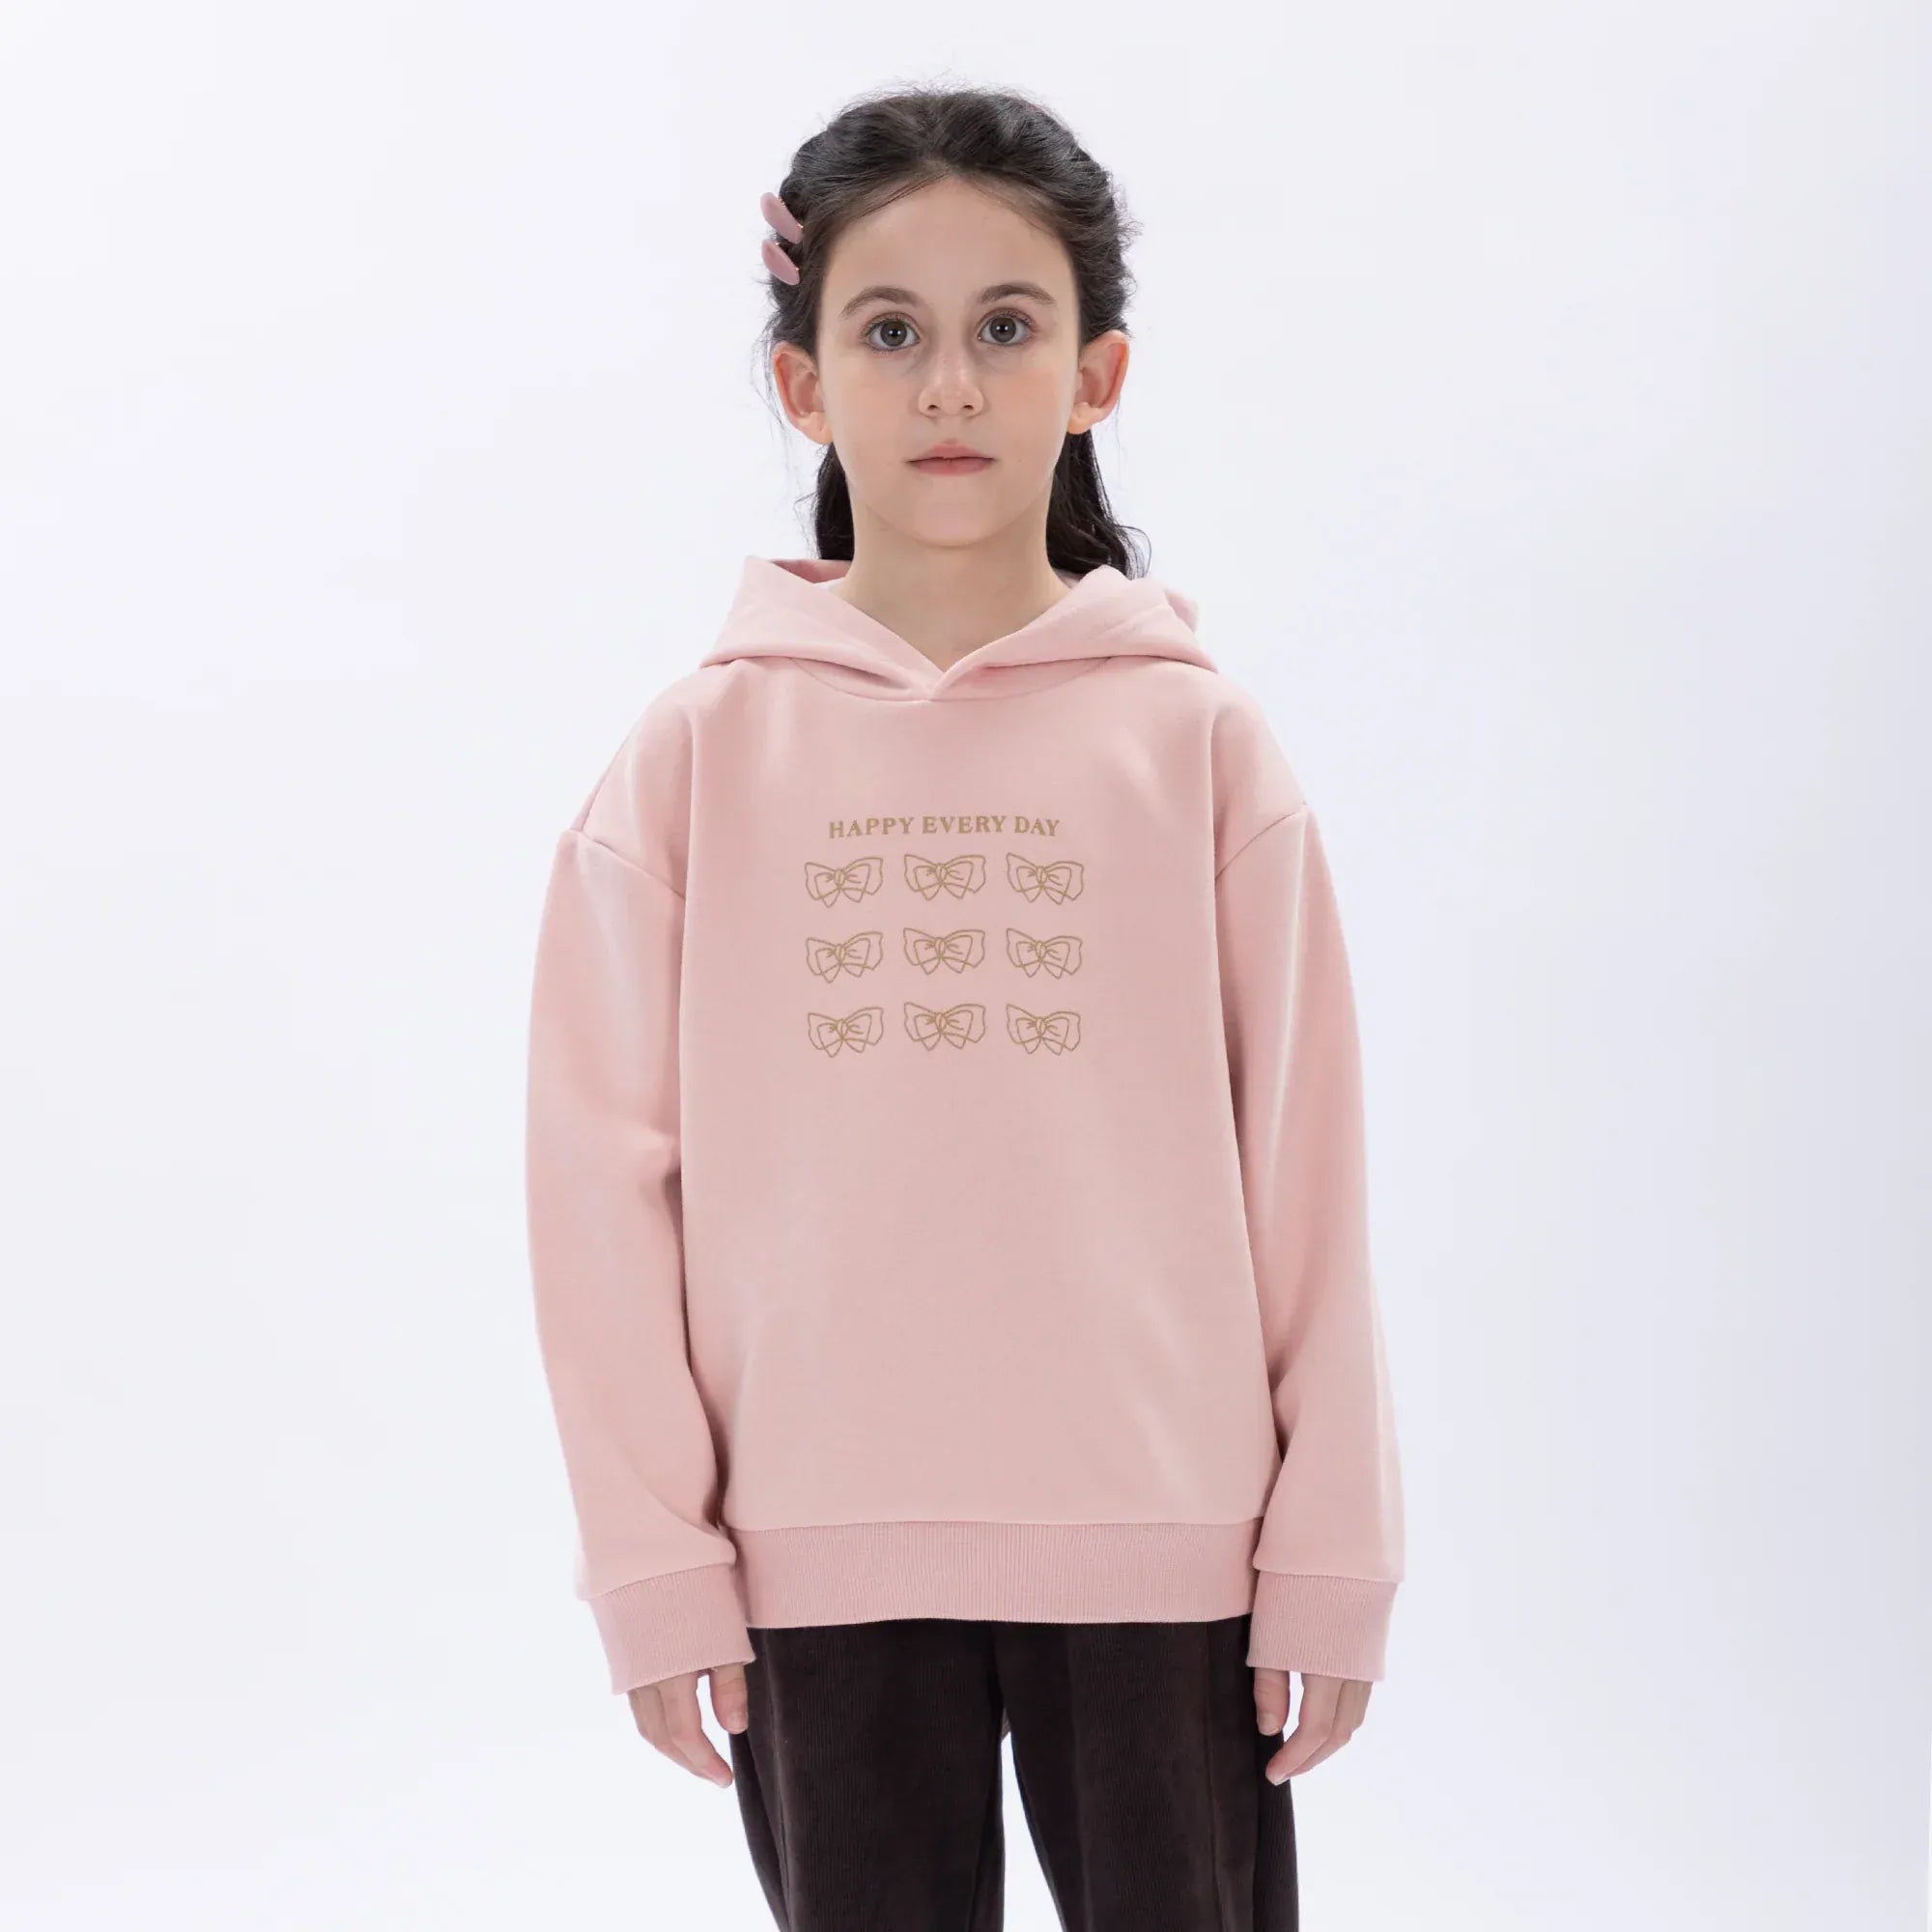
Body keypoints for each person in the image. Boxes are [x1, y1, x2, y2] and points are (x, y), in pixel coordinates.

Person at [524, 82, 1406, 1931]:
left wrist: (1332, 1545)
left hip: (1170, 1545)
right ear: (801, 385)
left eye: (1007, 328)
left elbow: (1306, 1168)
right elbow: (598, 1192)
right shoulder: (696, 757)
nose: (948, 385)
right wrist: (653, 1561)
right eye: (887, 331)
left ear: (1096, 374)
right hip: (812, 1547)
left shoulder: (1196, 743)